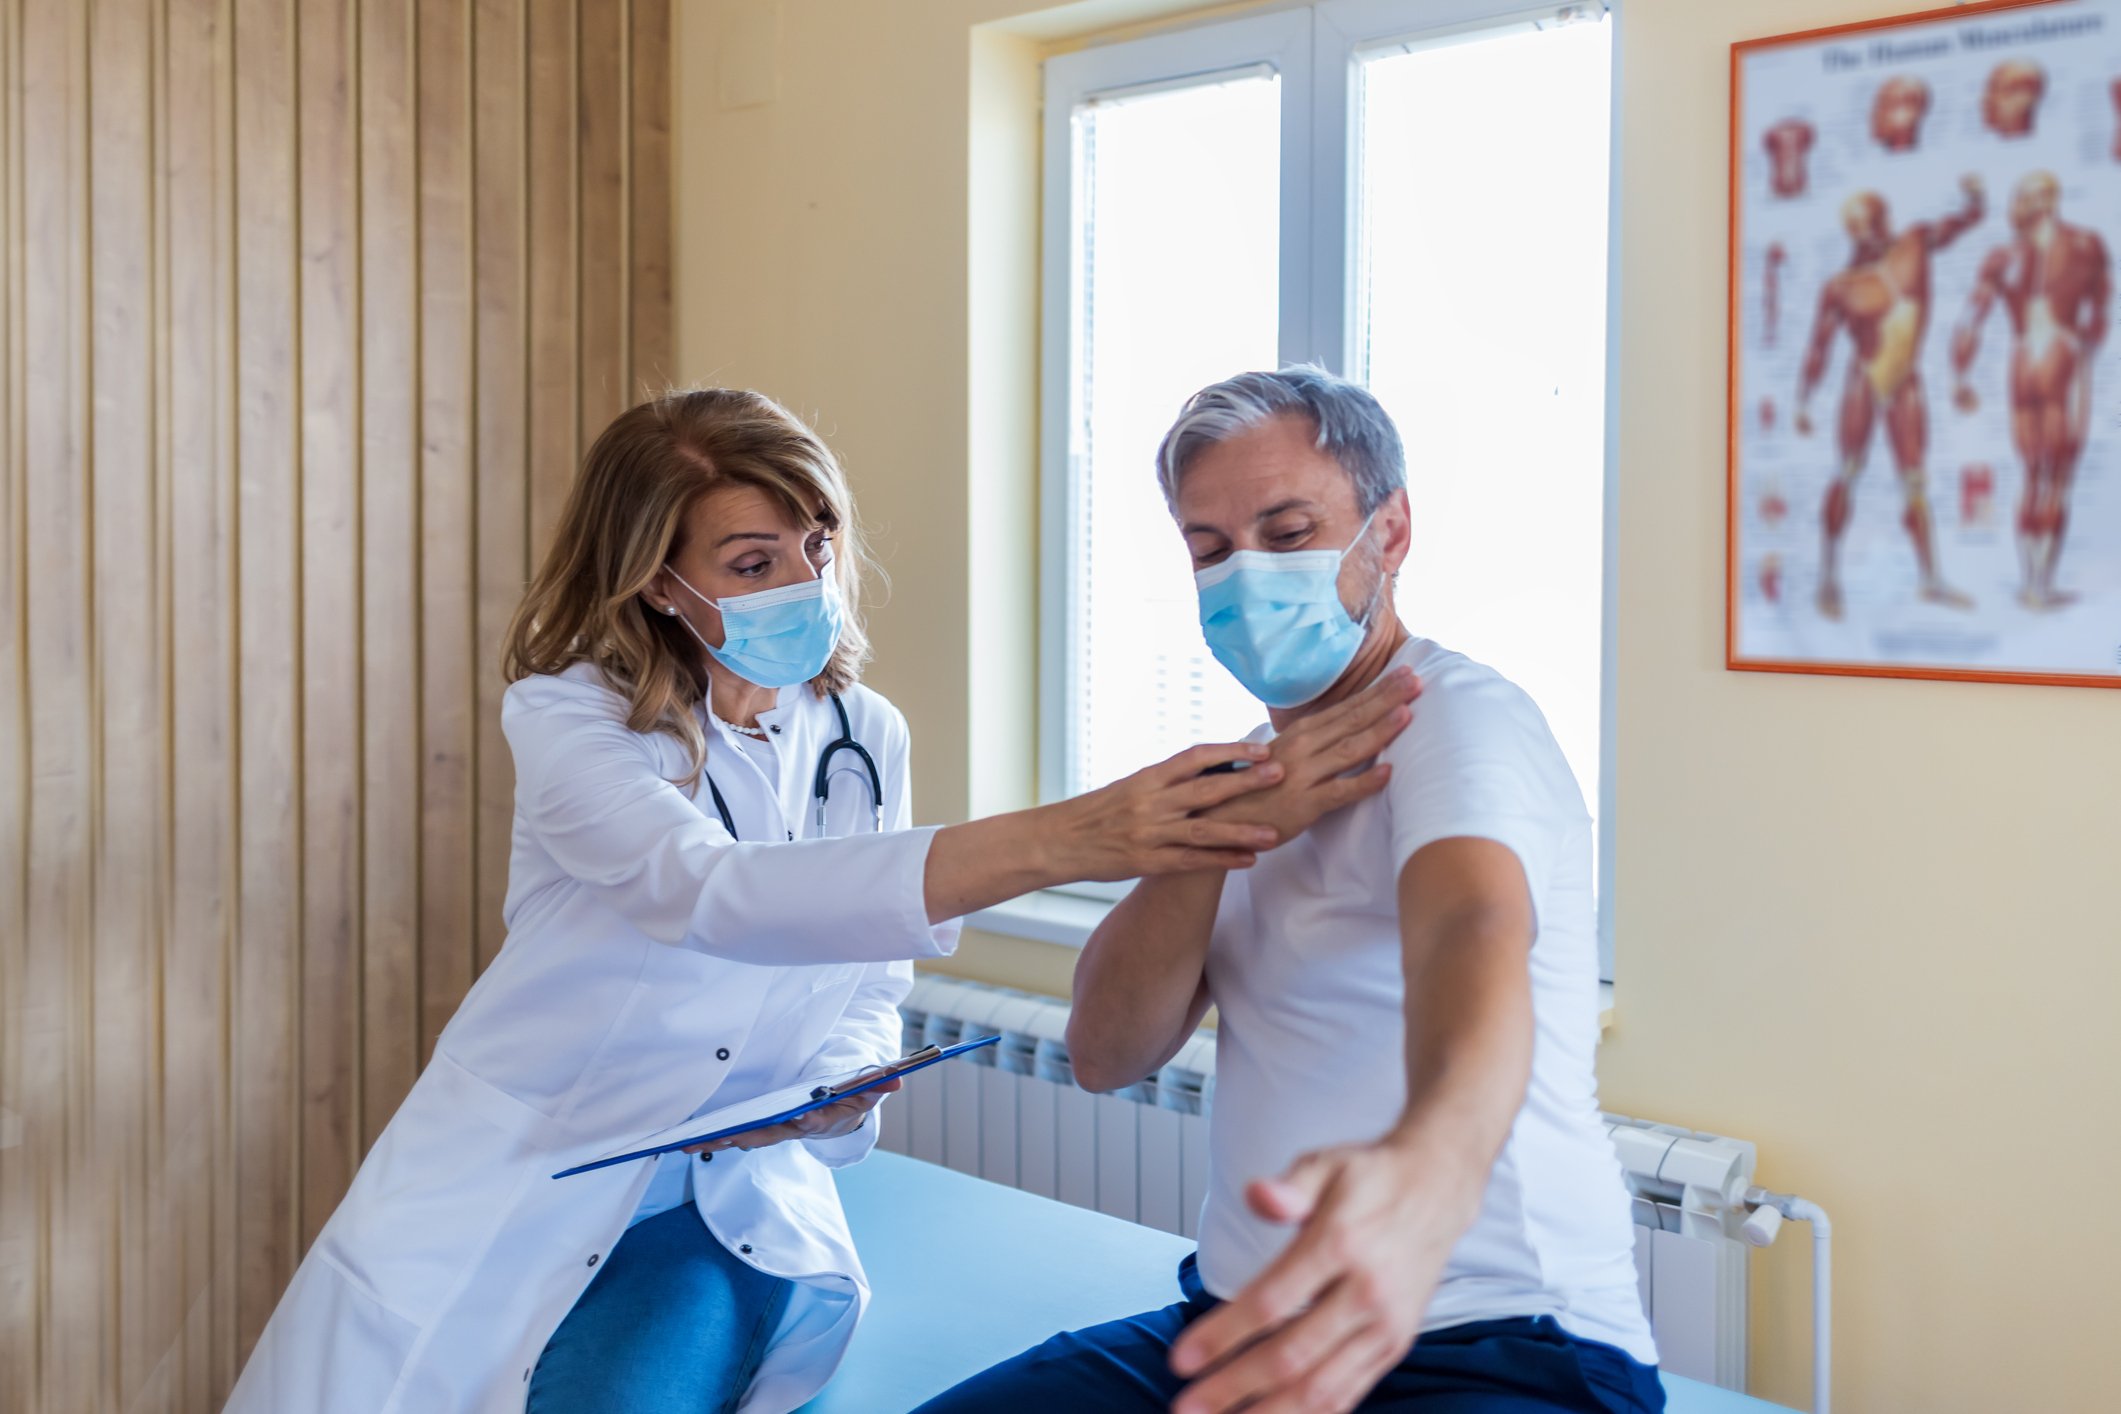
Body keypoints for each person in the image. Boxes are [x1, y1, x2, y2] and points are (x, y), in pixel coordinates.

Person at [224, 388, 1400, 1414]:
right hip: (526, 1170)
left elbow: (868, 974)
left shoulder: (860, 734)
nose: (805, 582)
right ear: (656, 580)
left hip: (718, 1201)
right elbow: (712, 892)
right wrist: (1076, 835)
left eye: (816, 544)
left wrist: (839, 1092)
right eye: (752, 562)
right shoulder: (570, 717)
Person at [915, 368, 1659, 1414]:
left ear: (1390, 533)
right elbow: (1105, 1051)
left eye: (1288, 530)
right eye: (1211, 549)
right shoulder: (1247, 772)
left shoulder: (1457, 719)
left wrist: (1430, 1168)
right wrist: (1225, 828)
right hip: (1236, 1320)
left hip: (1498, 1337)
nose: (1246, 574)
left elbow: (1471, 924)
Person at [1795, 178, 1985, 619]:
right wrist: (1804, 400)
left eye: (1873, 220)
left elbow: (1954, 228)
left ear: (1887, 218)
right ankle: (1828, 578)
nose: (1867, 231)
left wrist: (1975, 204)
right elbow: (1818, 346)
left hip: (1905, 382)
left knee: (1914, 482)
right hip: (1863, 379)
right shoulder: (1841, 285)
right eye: (1857, 225)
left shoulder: (1915, 244)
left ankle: (1931, 579)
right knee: (1846, 473)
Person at [1950, 170, 2111, 609]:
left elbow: (1969, 320)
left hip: (2023, 360)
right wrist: (2084, 351)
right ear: (2053, 200)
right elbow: (2099, 311)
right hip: (2060, 351)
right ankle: (2041, 584)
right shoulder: (2086, 245)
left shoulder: (2003, 257)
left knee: (2033, 475)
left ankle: (2029, 583)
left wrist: (1960, 376)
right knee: (2057, 478)